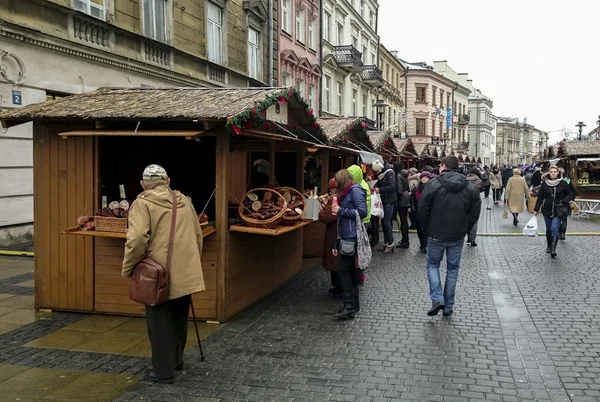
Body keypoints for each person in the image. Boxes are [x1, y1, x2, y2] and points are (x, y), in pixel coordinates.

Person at [122, 165, 206, 384]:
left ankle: (162, 371)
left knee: (158, 322)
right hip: (184, 271)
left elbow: (138, 239)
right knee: (179, 318)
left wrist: (128, 268)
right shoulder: (185, 201)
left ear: (143, 184)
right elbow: (198, 236)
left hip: (157, 275)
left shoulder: (142, 203)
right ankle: (176, 360)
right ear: (167, 181)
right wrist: (190, 265)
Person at [418, 156, 481, 317]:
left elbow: (423, 208)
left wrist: (426, 227)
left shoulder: (433, 184)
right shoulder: (469, 187)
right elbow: (475, 211)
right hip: (457, 234)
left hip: (436, 233)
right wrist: (466, 227)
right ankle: (448, 306)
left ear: (443, 166)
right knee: (452, 270)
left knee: (433, 266)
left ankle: (437, 298)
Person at [331, 169, 368, 319]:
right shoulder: (348, 191)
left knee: (344, 272)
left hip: (351, 236)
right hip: (346, 235)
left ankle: (349, 306)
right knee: (351, 272)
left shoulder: (355, 191)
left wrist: (341, 210)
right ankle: (353, 305)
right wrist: (336, 243)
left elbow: (362, 212)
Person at [534, 165, 572, 258]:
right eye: (551, 172)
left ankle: (553, 249)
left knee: (554, 228)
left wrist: (564, 200)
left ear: (558, 173)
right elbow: (540, 197)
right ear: (549, 173)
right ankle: (549, 245)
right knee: (548, 229)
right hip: (546, 209)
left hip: (558, 209)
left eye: (555, 172)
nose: (553, 173)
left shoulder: (563, 183)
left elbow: (569, 194)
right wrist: (536, 209)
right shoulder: (544, 183)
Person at [347, 164, 371, 285]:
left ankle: (359, 275)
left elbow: (360, 209)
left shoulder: (358, 188)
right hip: (364, 219)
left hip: (361, 221)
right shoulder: (362, 184)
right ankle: (359, 274)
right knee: (359, 248)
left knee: (359, 249)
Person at [318, 178, 341, 296]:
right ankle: (338, 286)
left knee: (335, 259)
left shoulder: (335, 198)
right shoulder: (343, 195)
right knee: (336, 260)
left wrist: (321, 212)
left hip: (335, 233)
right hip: (339, 232)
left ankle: (338, 287)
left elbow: (329, 216)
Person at [372, 160, 397, 253]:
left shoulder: (389, 172)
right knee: (384, 222)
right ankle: (387, 242)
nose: (377, 173)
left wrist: (380, 189)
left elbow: (392, 186)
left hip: (389, 200)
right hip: (385, 200)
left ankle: (390, 243)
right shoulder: (383, 172)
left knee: (386, 222)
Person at [410, 171, 431, 253]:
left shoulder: (431, 187)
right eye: (423, 177)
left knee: (427, 229)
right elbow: (412, 198)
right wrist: (413, 209)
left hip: (428, 212)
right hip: (418, 211)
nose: (424, 178)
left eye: (426, 177)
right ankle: (422, 244)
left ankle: (426, 245)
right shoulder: (416, 188)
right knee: (419, 229)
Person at [558, 167, 577, 240]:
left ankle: (562, 233)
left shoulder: (568, 181)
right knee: (558, 219)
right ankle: (560, 232)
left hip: (565, 202)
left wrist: (571, 199)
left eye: (562, 172)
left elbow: (574, 191)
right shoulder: (554, 180)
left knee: (563, 218)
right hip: (557, 202)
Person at [465, 168, 483, 247]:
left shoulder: (465, 180)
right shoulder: (479, 181)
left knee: (465, 219)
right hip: (476, 202)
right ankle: (472, 239)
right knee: (474, 221)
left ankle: (467, 236)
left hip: (465, 201)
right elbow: (482, 190)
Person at [394, 164, 410, 248]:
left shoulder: (399, 176)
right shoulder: (405, 174)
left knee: (403, 220)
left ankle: (405, 241)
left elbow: (399, 190)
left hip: (402, 200)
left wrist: (396, 198)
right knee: (404, 220)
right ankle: (405, 239)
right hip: (406, 196)